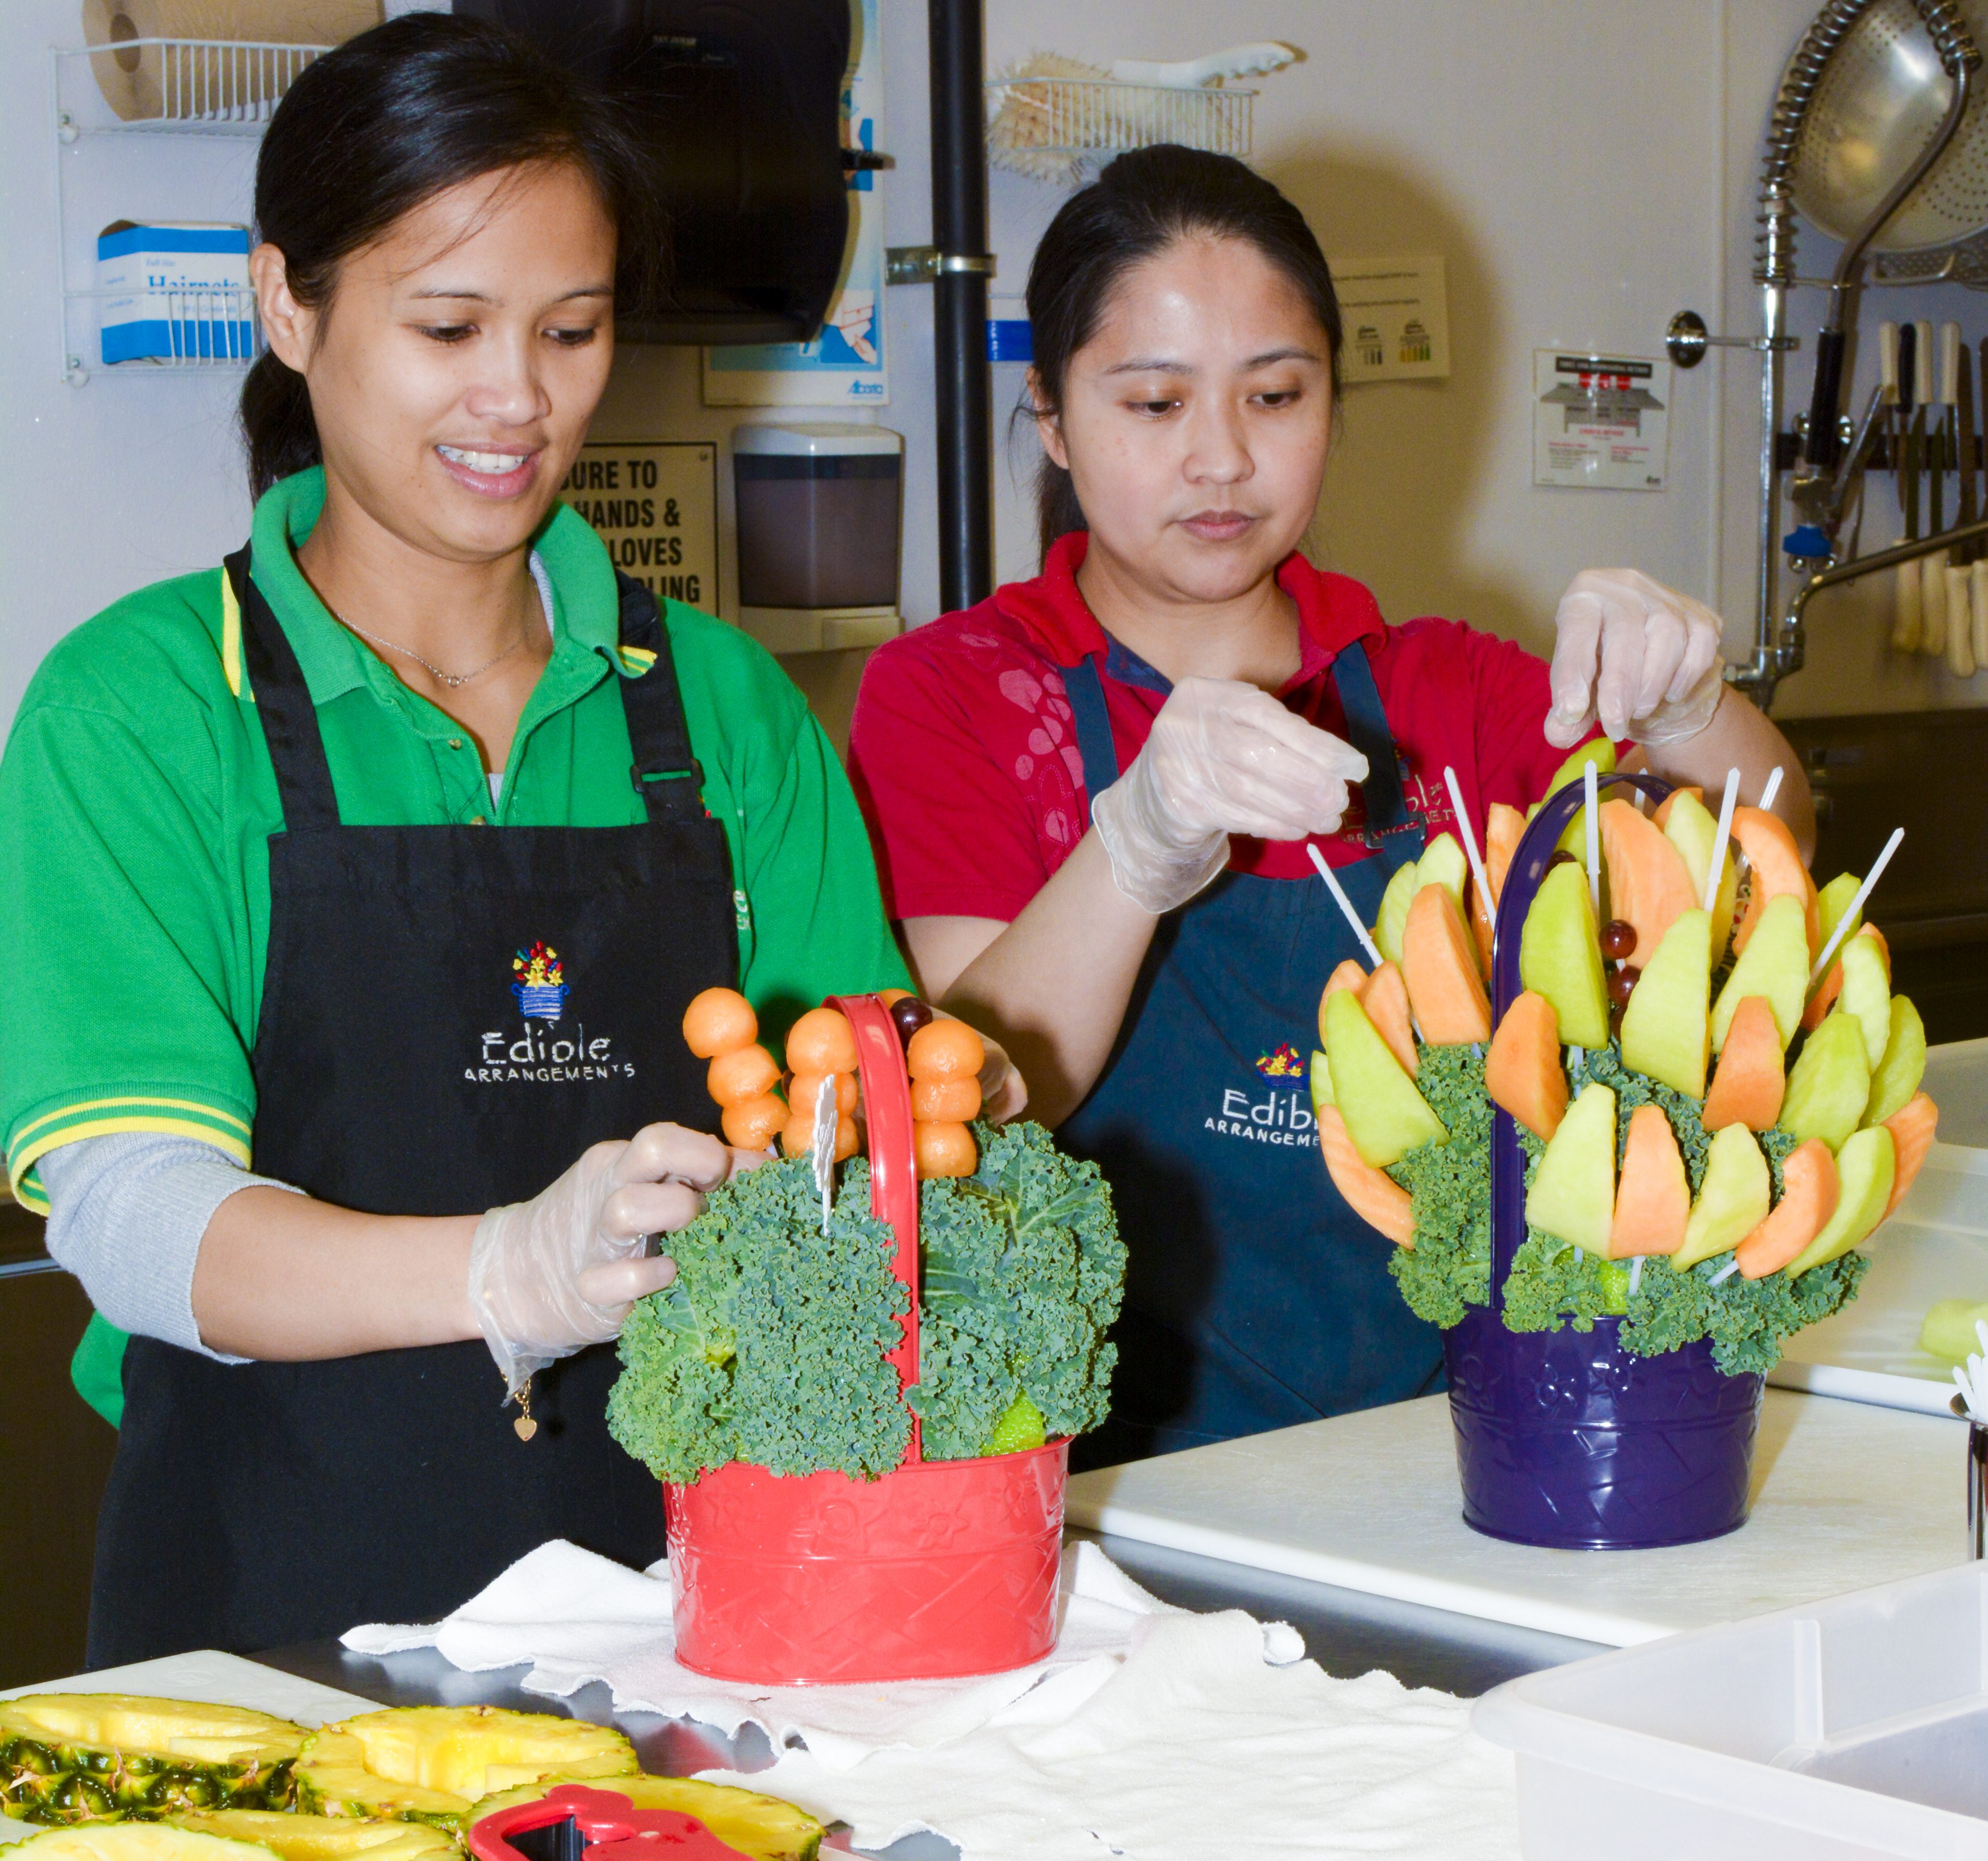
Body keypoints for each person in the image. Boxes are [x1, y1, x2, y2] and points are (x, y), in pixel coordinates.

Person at [0, 13, 986, 1664]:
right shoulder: (145, 708)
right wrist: (505, 1271)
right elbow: (135, 1217)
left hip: (699, 1603)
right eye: (446, 325)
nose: (517, 399)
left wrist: (929, 1106)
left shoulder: (721, 709)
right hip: (275, 1614)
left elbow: (848, 1113)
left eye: (574, 329)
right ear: (286, 302)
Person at [849, 149, 1813, 1466]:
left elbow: (1762, 858)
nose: (1221, 459)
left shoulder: (1438, 687)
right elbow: (989, 1083)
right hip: (1105, 1471)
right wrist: (1136, 841)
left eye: (1275, 395)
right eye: (1152, 403)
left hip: (1446, 1431)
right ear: (1055, 420)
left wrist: (1687, 703)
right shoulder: (955, 694)